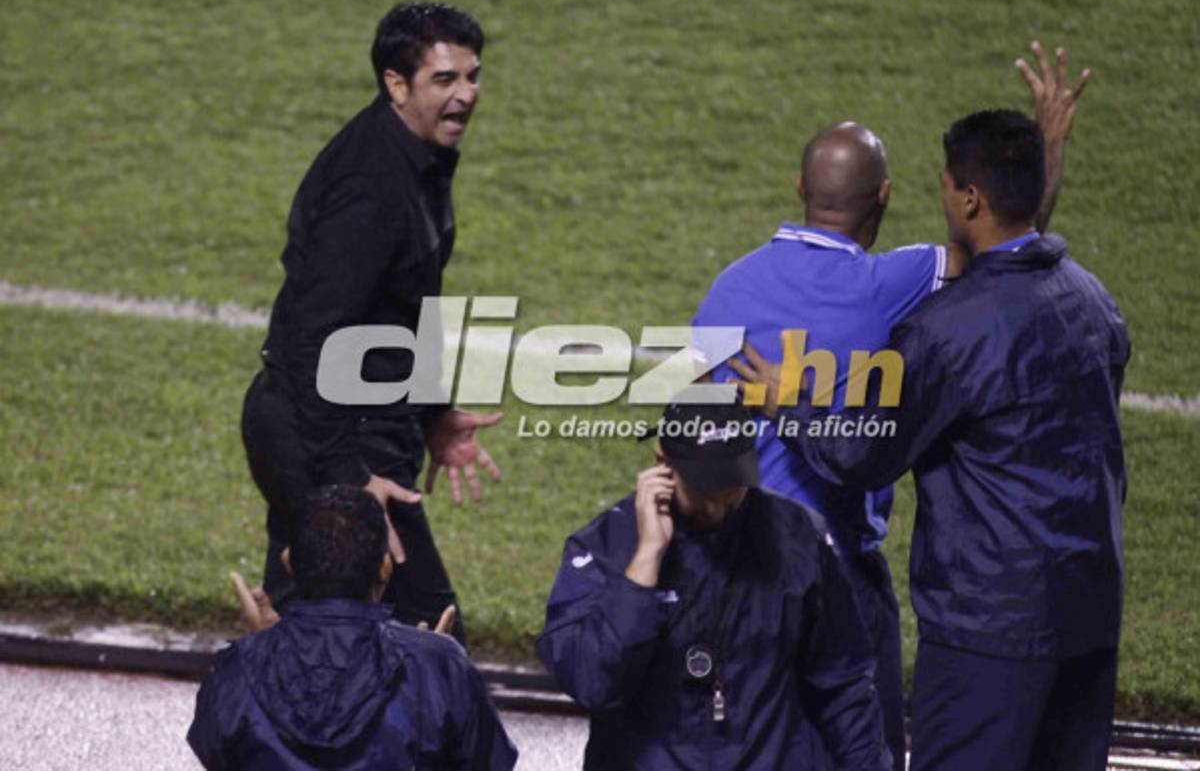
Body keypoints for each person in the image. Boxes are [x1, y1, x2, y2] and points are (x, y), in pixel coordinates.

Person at [691, 41, 1085, 768]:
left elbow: (691, 441)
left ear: (799, 187)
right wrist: (1046, 149)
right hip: (840, 581)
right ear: (885, 197)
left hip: (738, 577)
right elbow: (1007, 246)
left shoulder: (728, 288)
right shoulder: (894, 286)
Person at [241, 2, 503, 645]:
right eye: (445, 79)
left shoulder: (418, 155)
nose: (466, 94)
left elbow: (406, 304)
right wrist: (350, 482)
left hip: (351, 426)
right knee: (427, 636)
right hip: (325, 435)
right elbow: (313, 339)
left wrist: (433, 411)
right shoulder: (372, 186)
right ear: (396, 84)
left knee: (314, 634)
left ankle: (270, 697)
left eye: (472, 76)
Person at [536, 400, 891, 770]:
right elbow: (592, 683)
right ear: (663, 462)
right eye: (704, 493)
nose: (717, 509)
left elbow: (844, 685)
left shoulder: (798, 538)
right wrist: (645, 561)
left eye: (731, 488)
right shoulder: (606, 545)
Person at [188, 485, 518, 770]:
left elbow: (216, 752)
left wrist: (265, 654)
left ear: (288, 562)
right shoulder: (437, 665)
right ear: (385, 568)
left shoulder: (236, 668)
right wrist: (433, 671)